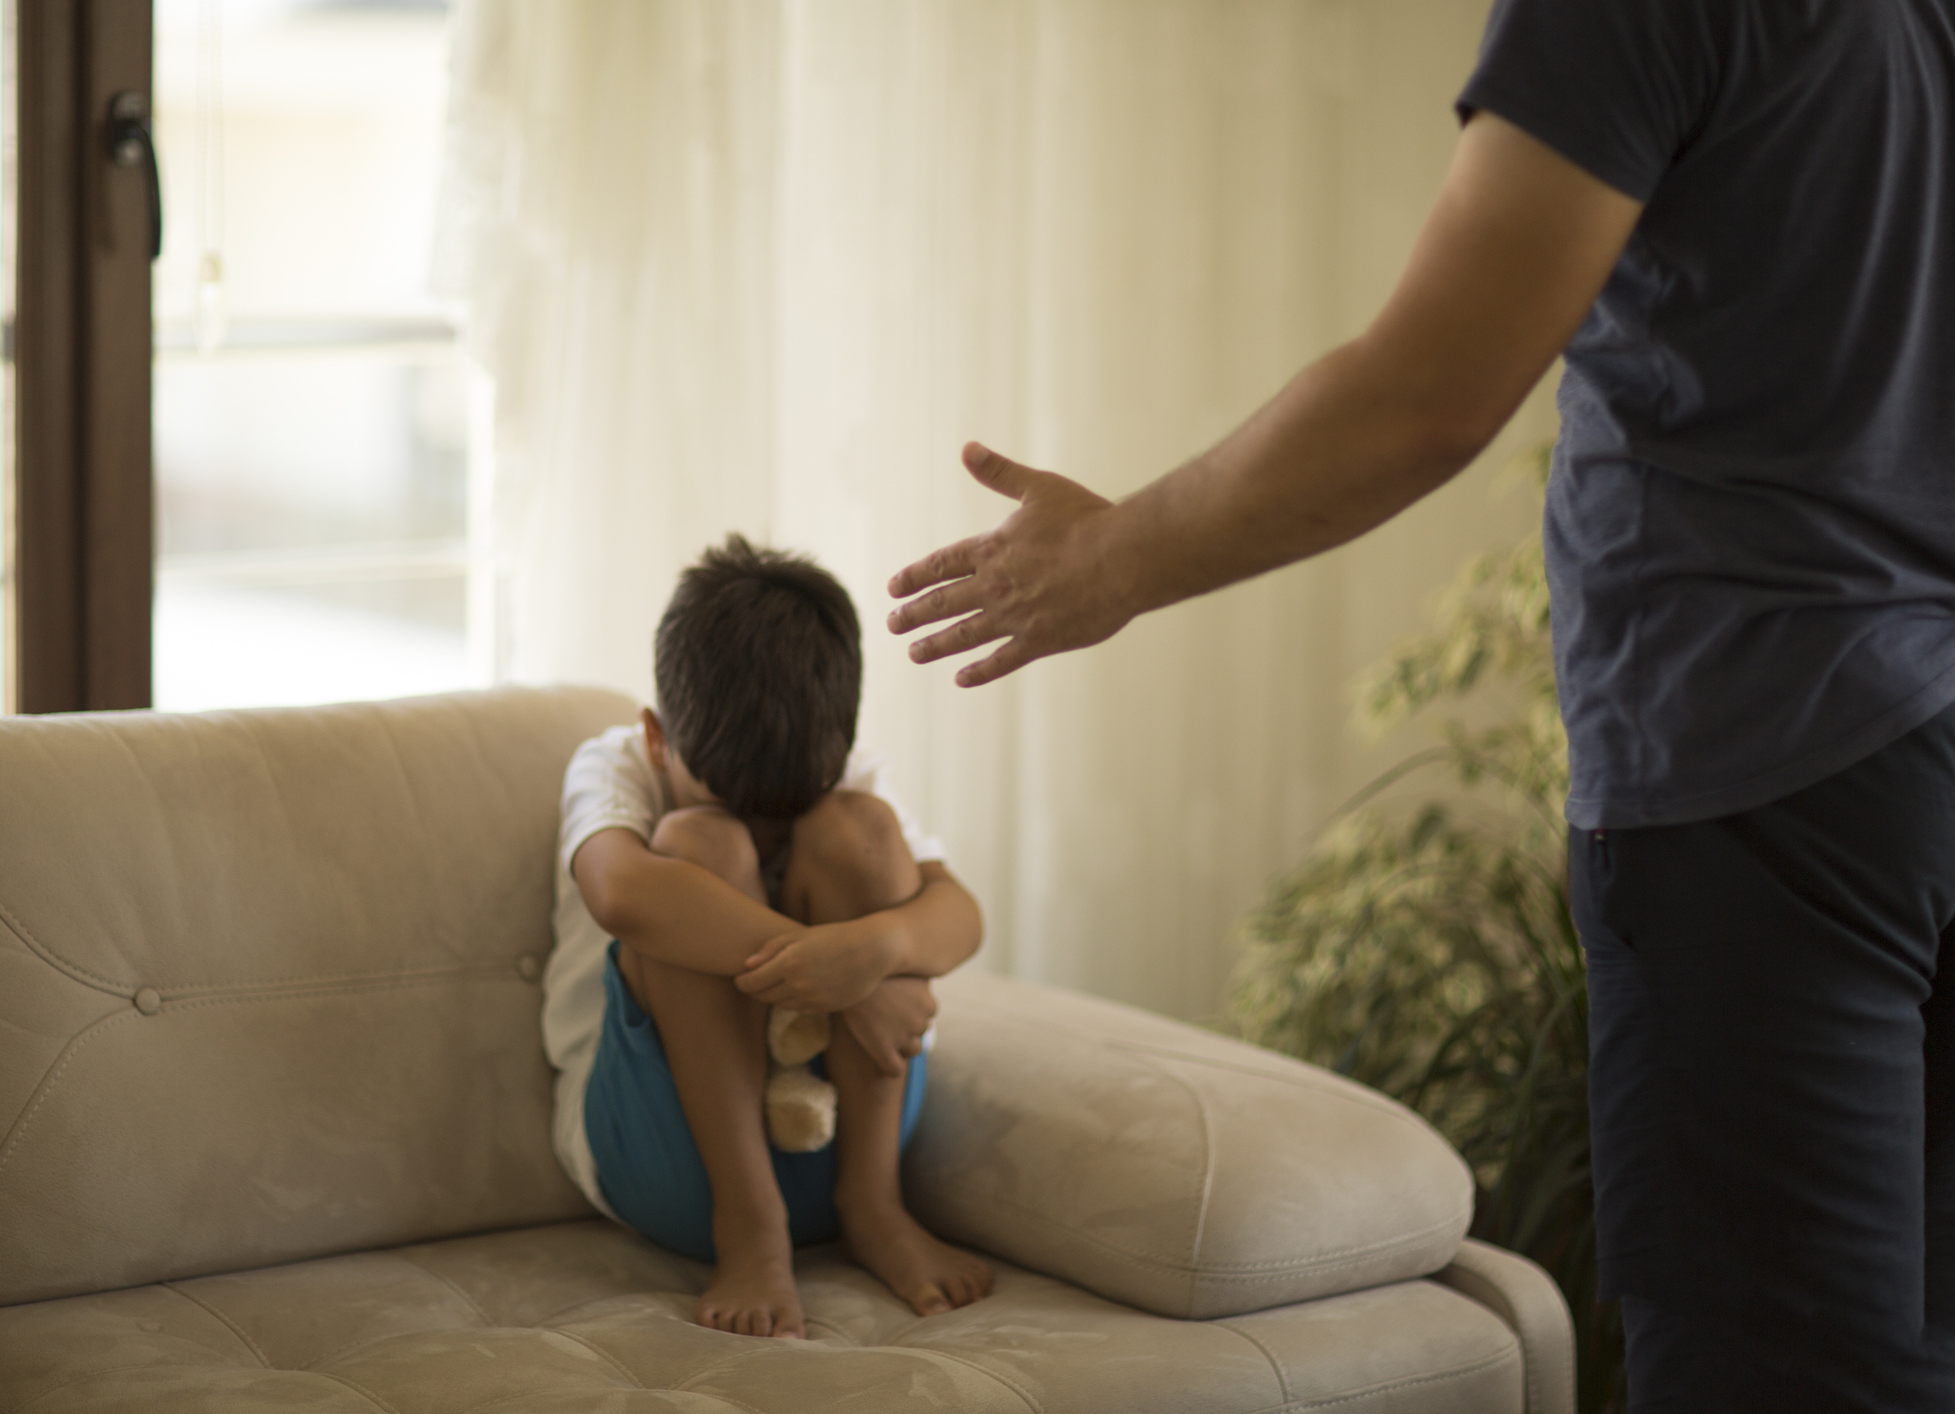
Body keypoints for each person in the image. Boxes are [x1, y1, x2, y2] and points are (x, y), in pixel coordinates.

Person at [887, 2, 1955, 1409]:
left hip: (1763, 778)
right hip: (1912, 750)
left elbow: (1429, 394)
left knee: (1776, 1372)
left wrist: (1109, 559)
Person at [545, 534, 993, 1339]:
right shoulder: (614, 765)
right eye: (731, 797)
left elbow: (961, 917)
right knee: (698, 846)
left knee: (862, 831)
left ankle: (875, 1207)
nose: (761, 829)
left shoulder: (849, 776)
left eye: (785, 809)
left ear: (837, 750)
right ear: (656, 738)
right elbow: (621, 894)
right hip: (669, 1154)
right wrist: (847, 978)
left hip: (846, 1136)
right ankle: (750, 1227)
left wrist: (875, 951)